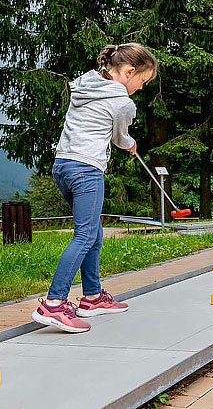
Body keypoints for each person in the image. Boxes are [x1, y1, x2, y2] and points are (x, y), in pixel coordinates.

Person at [32, 43, 158, 333]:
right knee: (85, 235)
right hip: (87, 170)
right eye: (142, 81)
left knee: (93, 233)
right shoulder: (123, 102)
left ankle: (92, 297)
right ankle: (53, 304)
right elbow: (119, 136)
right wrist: (130, 144)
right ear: (128, 71)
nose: (141, 87)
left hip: (63, 166)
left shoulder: (85, 85)